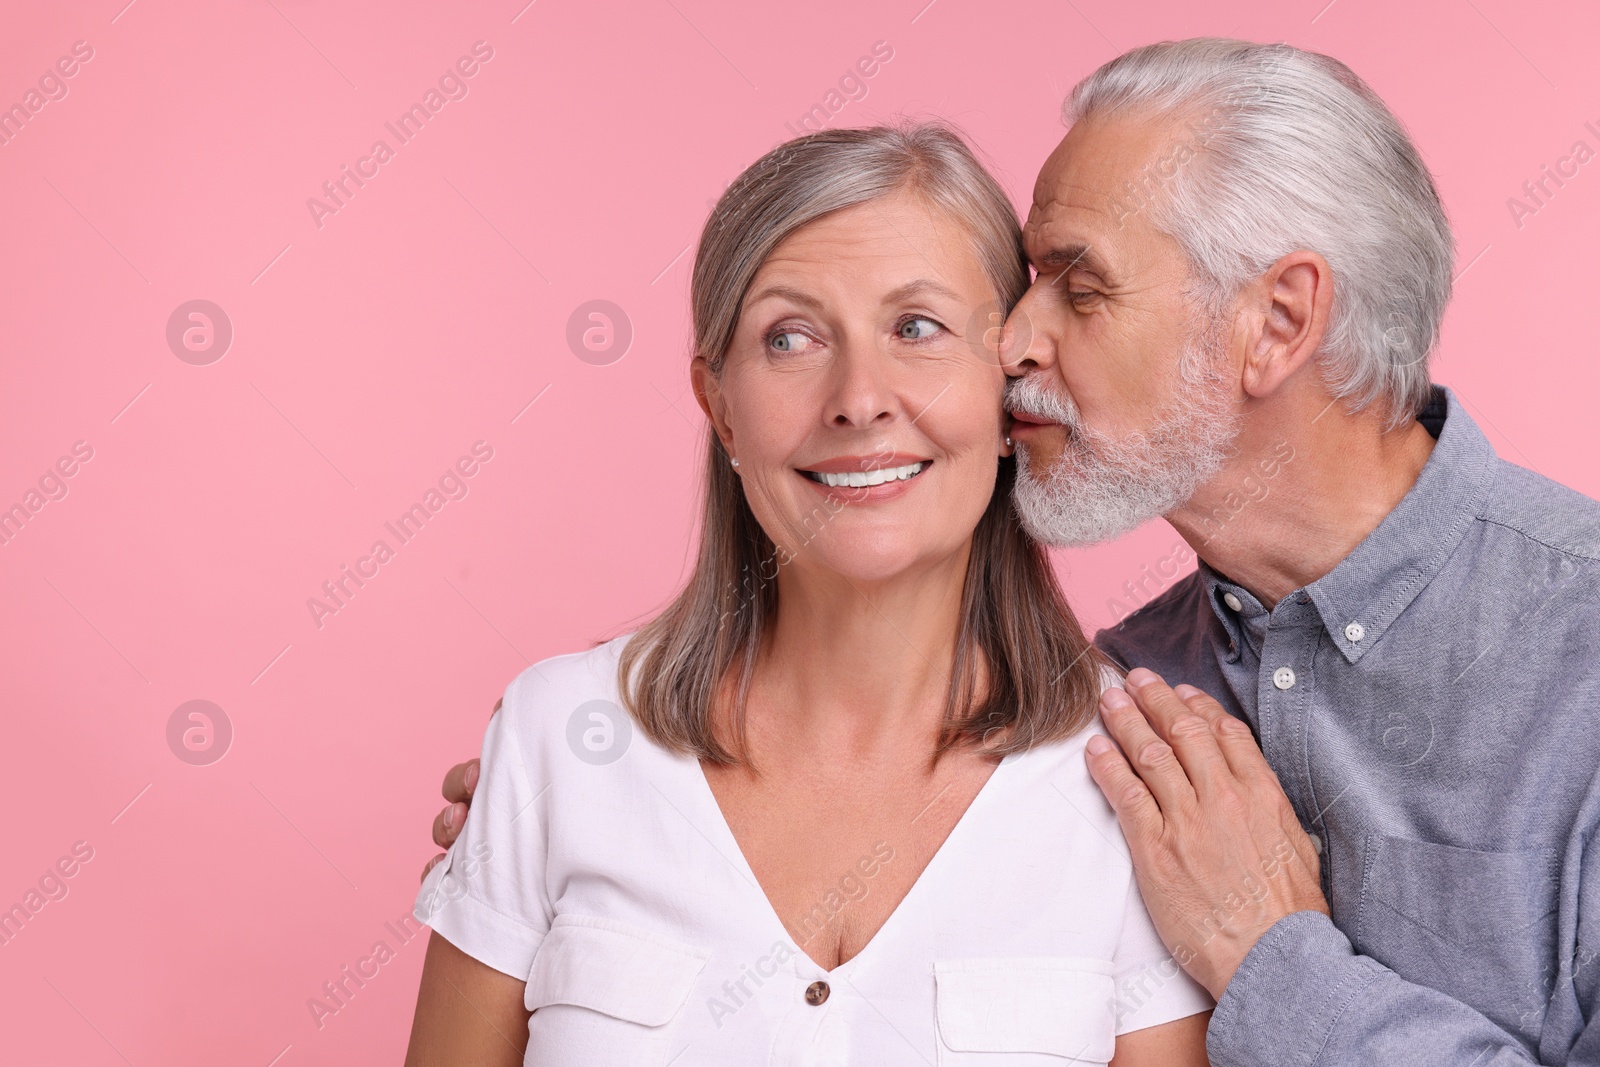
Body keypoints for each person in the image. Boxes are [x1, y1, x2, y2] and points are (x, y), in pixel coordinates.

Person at [434, 37, 1600, 1065]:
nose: (1017, 339)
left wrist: (1270, 955)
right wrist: (582, 786)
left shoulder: (1576, 647)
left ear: (1277, 323)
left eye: (1077, 288)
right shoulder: (1134, 705)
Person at [405, 124, 1211, 1066]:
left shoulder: (1139, 790)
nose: (858, 398)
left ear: (1009, 389)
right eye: (790, 337)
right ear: (720, 407)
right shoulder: (557, 735)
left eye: (918, 327)